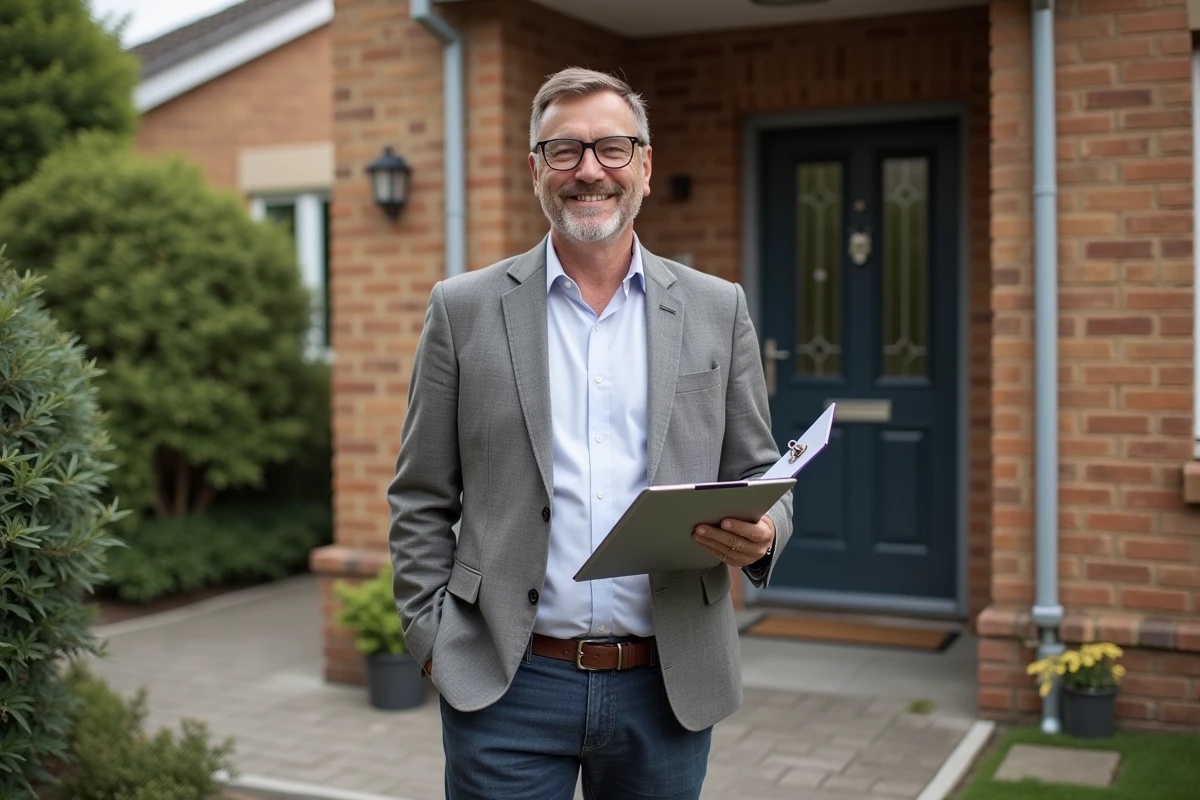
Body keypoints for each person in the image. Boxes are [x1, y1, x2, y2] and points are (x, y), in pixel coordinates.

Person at [387, 66, 793, 800]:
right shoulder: (464, 310)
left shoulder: (715, 308)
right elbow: (420, 495)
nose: (589, 170)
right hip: (508, 684)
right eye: (564, 150)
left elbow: (763, 471)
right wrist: (432, 641)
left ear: (644, 163)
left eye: (611, 147)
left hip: (666, 683)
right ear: (535, 170)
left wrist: (766, 536)